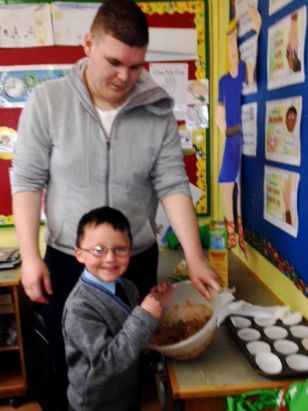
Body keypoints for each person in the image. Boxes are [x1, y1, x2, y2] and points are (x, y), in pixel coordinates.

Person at [11, 0, 221, 408]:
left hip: (134, 260)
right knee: (67, 360)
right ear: (88, 43)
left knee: (127, 361)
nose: (125, 77)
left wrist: (195, 258)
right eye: (114, 62)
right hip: (68, 261)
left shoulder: (157, 108)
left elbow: (173, 184)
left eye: (136, 66)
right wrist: (29, 255)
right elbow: (27, 180)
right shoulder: (48, 102)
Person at [62, 206, 174, 411]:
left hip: (125, 393)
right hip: (94, 404)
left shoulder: (128, 287)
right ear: (79, 254)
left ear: (130, 251)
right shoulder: (79, 308)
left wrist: (155, 302)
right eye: (98, 250)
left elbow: (130, 334)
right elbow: (105, 364)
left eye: (120, 249)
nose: (110, 258)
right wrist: (144, 315)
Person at [215, 7, 260, 254]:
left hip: (242, 135)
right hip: (232, 135)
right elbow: (220, 109)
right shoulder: (223, 80)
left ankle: (237, 230)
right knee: (227, 180)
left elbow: (252, 77)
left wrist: (257, 31)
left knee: (238, 183)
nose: (234, 52)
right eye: (230, 47)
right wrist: (222, 127)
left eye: (236, 47)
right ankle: (232, 230)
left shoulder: (243, 70)